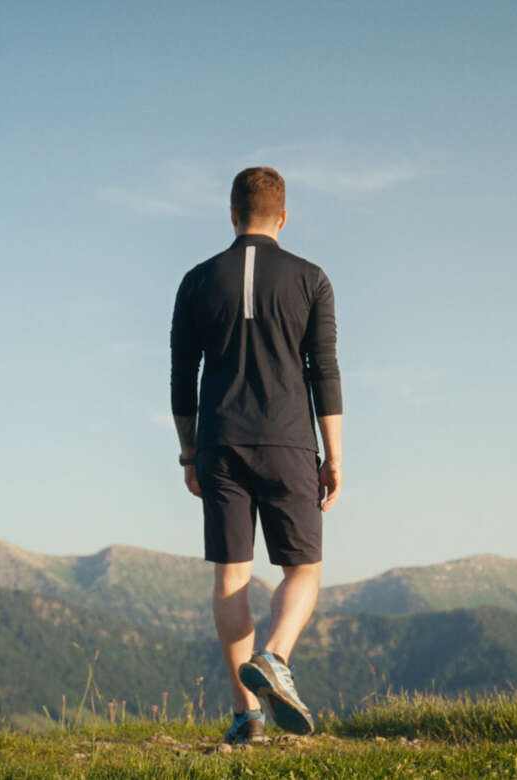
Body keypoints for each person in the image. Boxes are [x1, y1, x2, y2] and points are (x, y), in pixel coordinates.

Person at [169, 166, 343, 744]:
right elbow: (325, 372)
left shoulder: (195, 281)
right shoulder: (311, 279)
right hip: (290, 440)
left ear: (232, 213)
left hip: (219, 441)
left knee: (231, 575)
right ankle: (275, 657)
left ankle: (247, 719)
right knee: (304, 569)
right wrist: (334, 455)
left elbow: (180, 376)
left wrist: (189, 452)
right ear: (284, 216)